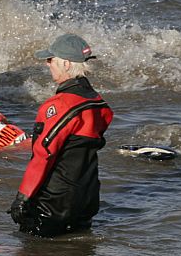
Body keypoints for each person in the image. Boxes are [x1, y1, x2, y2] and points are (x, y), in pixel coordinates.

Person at [9, 34, 113, 237]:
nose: (48, 65)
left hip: (54, 203)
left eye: (51, 60)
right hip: (87, 198)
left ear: (65, 63)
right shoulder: (98, 102)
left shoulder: (57, 106)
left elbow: (43, 156)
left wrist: (22, 198)